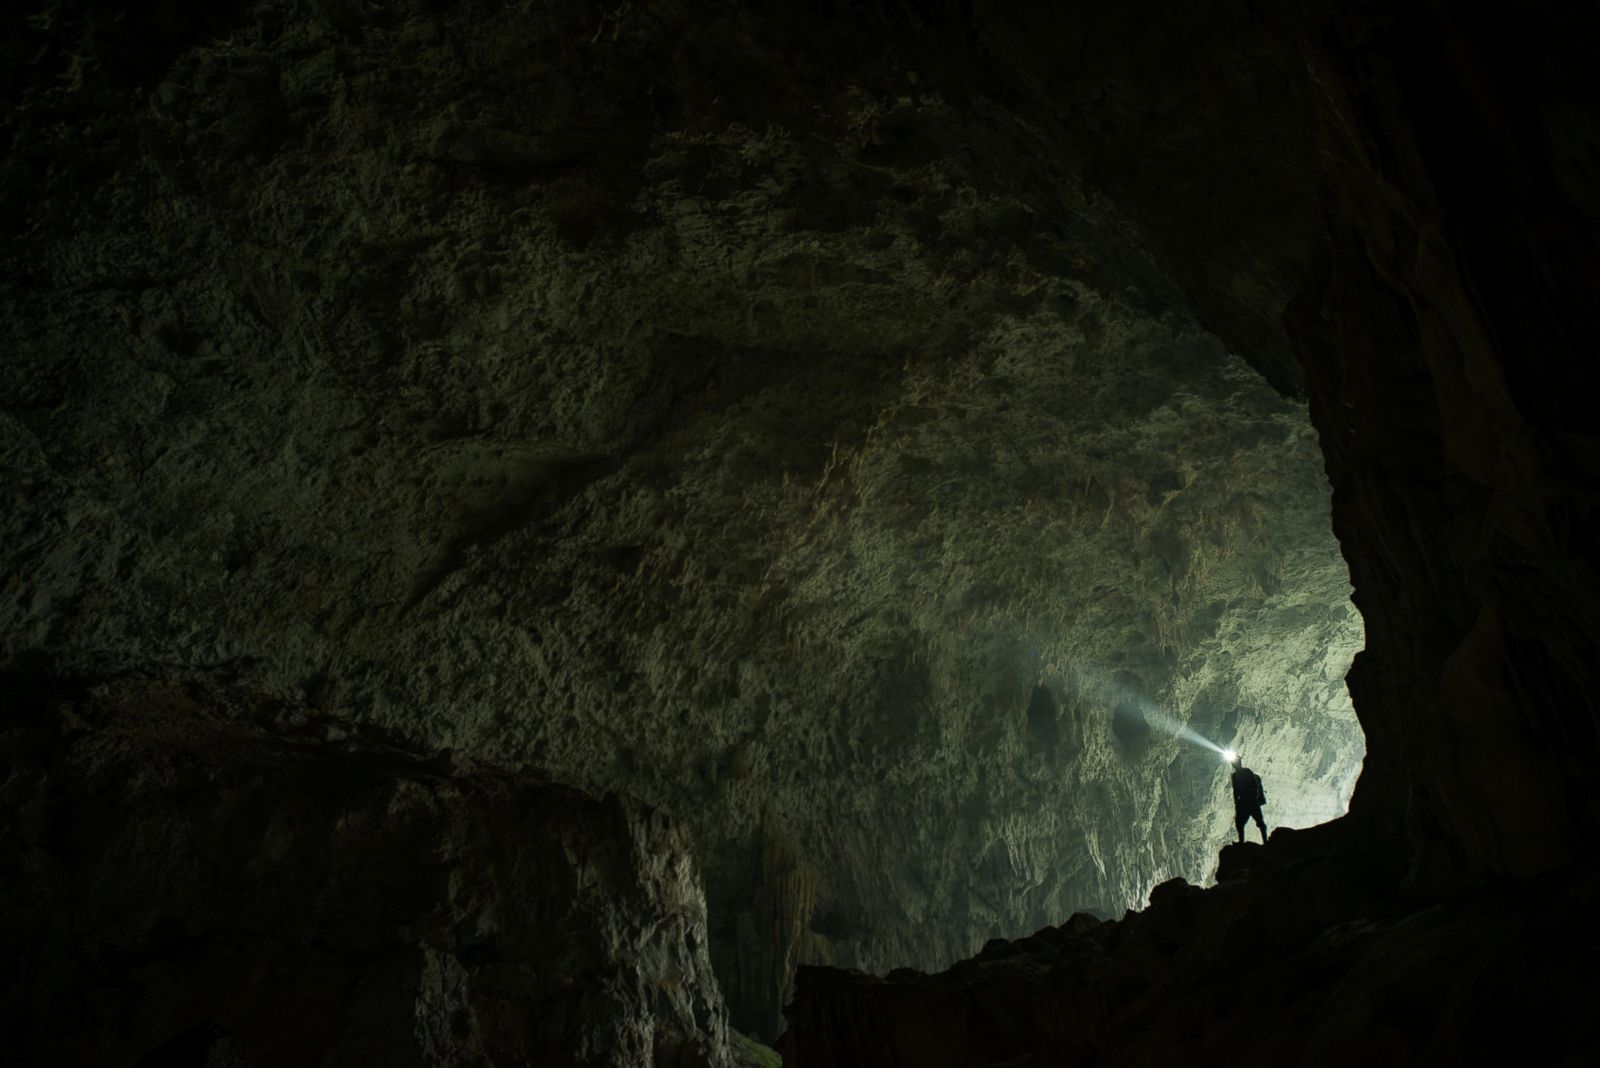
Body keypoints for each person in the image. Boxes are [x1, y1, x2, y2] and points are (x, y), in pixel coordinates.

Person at [1229, 755, 1268, 844]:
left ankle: (1242, 843)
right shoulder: (1246, 772)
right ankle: (1265, 841)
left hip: (1245, 802)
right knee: (1258, 822)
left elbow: (1236, 790)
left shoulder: (1236, 775)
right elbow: (1254, 786)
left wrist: (1237, 803)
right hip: (1250, 801)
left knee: (1240, 824)